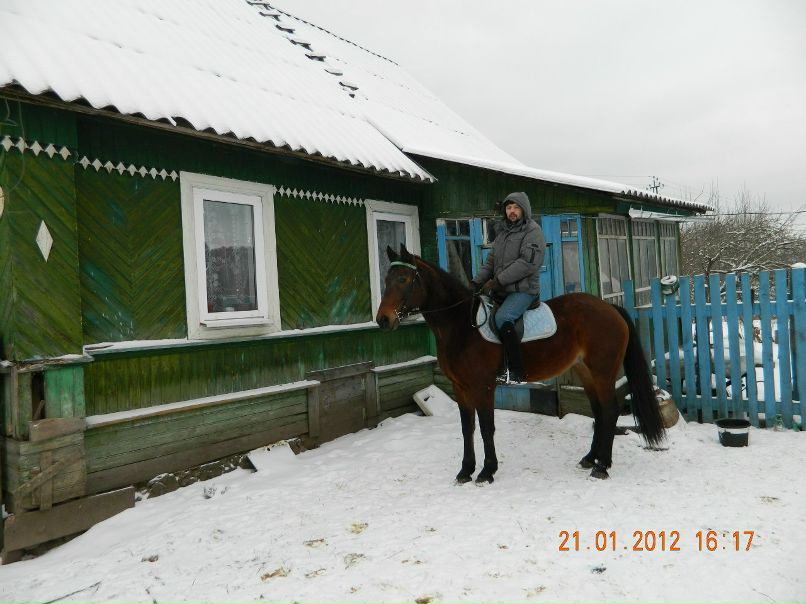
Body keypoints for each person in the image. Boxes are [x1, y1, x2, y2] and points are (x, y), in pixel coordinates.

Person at [470, 192, 545, 384]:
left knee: (503, 317)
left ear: (524, 210)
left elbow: (527, 263)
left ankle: (516, 371)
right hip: (502, 290)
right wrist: (476, 282)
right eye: (508, 207)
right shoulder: (502, 232)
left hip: (524, 290)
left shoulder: (533, 231)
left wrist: (497, 281)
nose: (511, 211)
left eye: (516, 207)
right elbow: (491, 262)